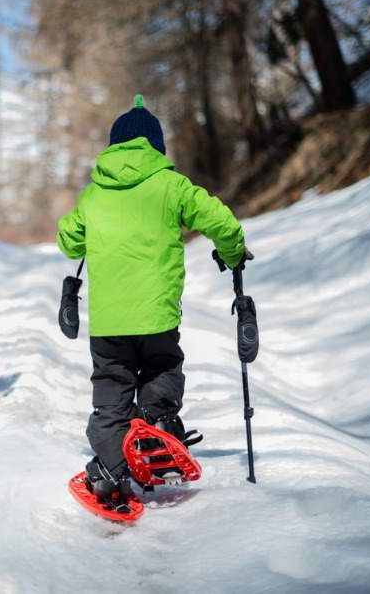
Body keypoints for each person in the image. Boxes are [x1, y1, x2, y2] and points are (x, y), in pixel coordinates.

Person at [57, 94, 246, 507]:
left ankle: (110, 469)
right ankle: (156, 422)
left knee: (110, 393)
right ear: (156, 146)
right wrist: (232, 252)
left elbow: (68, 241)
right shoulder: (171, 184)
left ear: (114, 146)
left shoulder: (95, 193)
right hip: (157, 314)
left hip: (107, 324)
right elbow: (221, 221)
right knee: (162, 366)